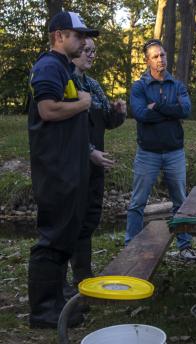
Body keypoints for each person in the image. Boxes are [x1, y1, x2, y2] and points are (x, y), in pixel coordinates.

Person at [27, 11, 98, 328]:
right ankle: (43, 311)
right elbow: (47, 109)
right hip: (55, 168)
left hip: (72, 167)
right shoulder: (47, 66)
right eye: (78, 35)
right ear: (59, 35)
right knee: (52, 238)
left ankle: (59, 297)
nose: (84, 41)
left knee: (67, 234)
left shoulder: (64, 68)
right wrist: (83, 103)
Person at [62, 37, 127, 296]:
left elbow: (106, 122)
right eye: (86, 50)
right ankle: (61, 280)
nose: (90, 55)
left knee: (90, 218)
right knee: (71, 221)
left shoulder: (94, 85)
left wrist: (119, 112)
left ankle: (83, 276)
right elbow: (64, 128)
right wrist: (89, 152)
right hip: (72, 163)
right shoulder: (64, 81)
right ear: (75, 50)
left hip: (95, 164)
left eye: (94, 51)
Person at [125, 39, 196, 260]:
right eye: (155, 56)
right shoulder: (139, 87)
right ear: (147, 60)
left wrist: (157, 106)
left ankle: (184, 246)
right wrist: (170, 111)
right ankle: (131, 245)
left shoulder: (177, 85)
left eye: (163, 55)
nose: (161, 59)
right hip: (148, 153)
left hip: (174, 152)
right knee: (138, 201)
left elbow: (185, 110)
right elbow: (140, 114)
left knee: (180, 200)